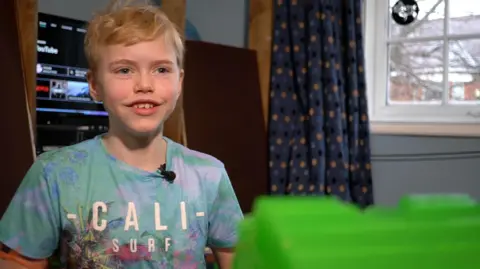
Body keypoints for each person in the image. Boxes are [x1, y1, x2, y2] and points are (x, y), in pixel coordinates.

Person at [0, 0, 243, 268]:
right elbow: (20, 262)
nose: (145, 85)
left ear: (179, 81)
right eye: (124, 70)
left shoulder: (209, 174)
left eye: (161, 69)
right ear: (94, 85)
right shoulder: (52, 175)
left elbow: (237, 258)